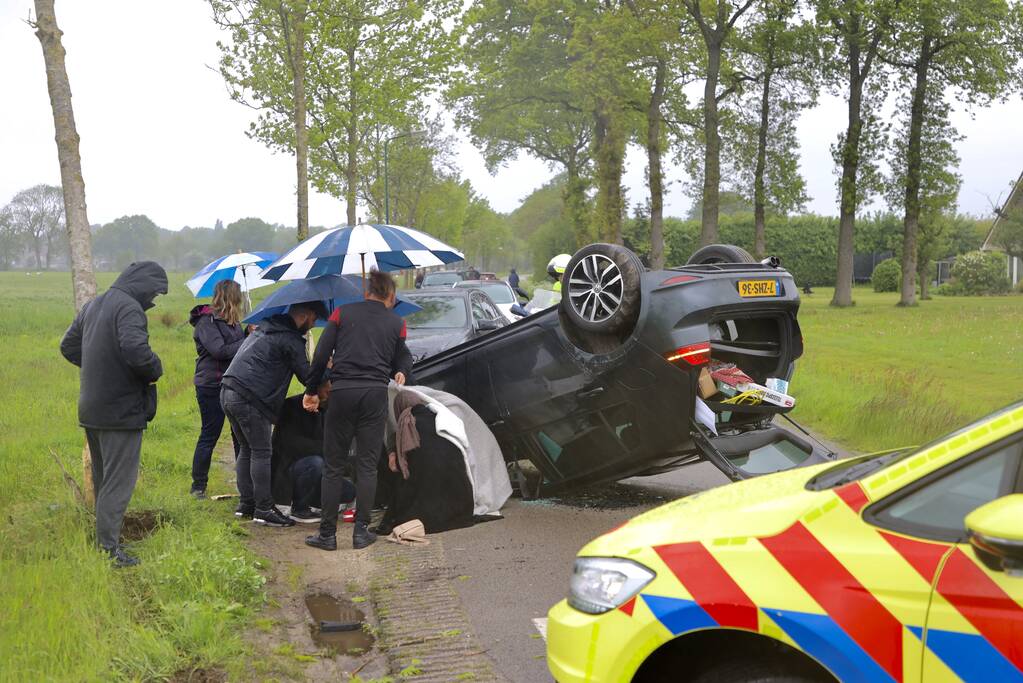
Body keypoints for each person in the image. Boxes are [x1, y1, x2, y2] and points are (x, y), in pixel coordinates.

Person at [60, 261, 168, 568]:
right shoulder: (129, 308)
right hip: (120, 411)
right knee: (118, 484)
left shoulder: (94, 305)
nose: (153, 299)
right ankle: (108, 550)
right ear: (142, 284)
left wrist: (100, 365)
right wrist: (155, 368)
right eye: (154, 292)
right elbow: (137, 352)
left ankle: (105, 541)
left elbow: (68, 346)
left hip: (92, 408)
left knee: (103, 479)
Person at [302, 271, 413, 551]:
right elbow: (403, 355)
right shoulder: (397, 322)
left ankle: (327, 534)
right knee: (367, 465)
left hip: (342, 393)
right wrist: (402, 369)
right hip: (374, 395)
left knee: (333, 465)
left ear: (366, 292)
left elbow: (321, 355)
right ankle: (361, 532)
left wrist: (312, 390)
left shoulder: (342, 313)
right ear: (391, 296)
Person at [221, 301, 327, 527]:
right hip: (250, 397)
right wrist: (327, 371)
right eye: (314, 320)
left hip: (229, 390)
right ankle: (264, 508)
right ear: (305, 315)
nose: (313, 325)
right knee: (261, 452)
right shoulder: (290, 339)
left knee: (247, 449)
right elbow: (307, 377)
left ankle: (247, 504)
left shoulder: (266, 327)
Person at [376, 391, 474, 535]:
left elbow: (401, 466)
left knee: (403, 477)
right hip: (461, 502)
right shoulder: (439, 417)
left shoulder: (407, 424)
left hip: (428, 507)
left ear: (399, 408)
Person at [188, 280, 245, 499]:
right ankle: (198, 486)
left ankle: (245, 486)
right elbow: (219, 351)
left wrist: (248, 334)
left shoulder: (233, 322)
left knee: (239, 435)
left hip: (233, 384)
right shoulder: (207, 322)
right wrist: (246, 340)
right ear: (232, 297)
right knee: (210, 434)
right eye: (238, 296)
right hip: (211, 385)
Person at [270, 388, 355, 523]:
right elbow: (290, 443)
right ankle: (299, 508)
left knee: (350, 491)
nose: (331, 389)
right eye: (328, 385)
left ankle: (316, 503)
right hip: (290, 469)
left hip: (320, 471)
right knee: (315, 463)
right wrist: (327, 449)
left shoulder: (329, 408)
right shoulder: (291, 405)